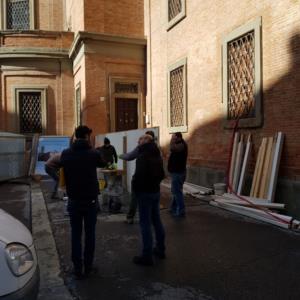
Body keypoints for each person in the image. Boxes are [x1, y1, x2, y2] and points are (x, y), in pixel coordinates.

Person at [60, 125, 106, 279]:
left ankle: (77, 268)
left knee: (75, 234)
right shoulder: (93, 153)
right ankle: (88, 266)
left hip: (73, 199)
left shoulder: (66, 154)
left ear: (75, 136)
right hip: (90, 200)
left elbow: (56, 166)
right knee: (90, 234)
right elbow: (103, 163)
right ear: (86, 136)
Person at [132, 134, 165, 266]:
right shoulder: (157, 153)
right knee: (156, 220)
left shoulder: (142, 155)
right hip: (155, 191)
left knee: (145, 224)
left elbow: (139, 176)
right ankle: (160, 249)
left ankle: (147, 256)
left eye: (140, 139)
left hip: (144, 193)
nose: (138, 141)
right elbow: (162, 174)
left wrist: (135, 188)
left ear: (145, 141)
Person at [119, 130, 156, 224]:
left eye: (143, 138)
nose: (139, 141)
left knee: (135, 198)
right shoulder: (157, 149)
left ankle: (130, 217)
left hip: (140, 180)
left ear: (146, 140)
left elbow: (130, 156)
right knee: (150, 201)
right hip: (153, 181)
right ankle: (152, 218)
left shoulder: (141, 148)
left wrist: (120, 155)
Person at [167, 132, 188, 217]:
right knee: (176, 191)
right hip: (177, 171)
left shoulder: (181, 145)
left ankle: (181, 210)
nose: (173, 139)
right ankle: (173, 207)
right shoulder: (180, 144)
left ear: (178, 138)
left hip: (178, 172)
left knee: (177, 192)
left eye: (174, 138)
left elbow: (172, 148)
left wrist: (172, 140)